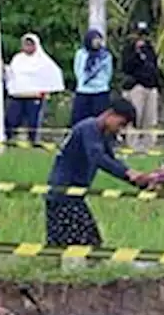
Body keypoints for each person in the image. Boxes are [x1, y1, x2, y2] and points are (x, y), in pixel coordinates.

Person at [45, 99, 149, 246]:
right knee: (89, 242)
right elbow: (98, 158)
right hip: (64, 192)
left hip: (73, 194)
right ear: (110, 114)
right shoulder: (89, 129)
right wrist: (129, 172)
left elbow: (111, 161)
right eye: (121, 124)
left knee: (66, 242)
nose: (120, 130)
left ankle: (55, 266)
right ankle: (92, 268)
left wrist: (138, 181)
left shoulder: (101, 134)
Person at [6, 33, 63, 144]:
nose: (27, 47)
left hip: (34, 96)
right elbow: (12, 75)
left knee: (33, 121)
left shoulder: (43, 61)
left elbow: (52, 74)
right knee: (11, 119)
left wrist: (46, 90)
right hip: (18, 95)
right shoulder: (17, 59)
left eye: (30, 44)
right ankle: (9, 140)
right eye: (25, 44)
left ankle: (33, 142)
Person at [121, 22, 162, 149]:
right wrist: (136, 53)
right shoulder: (128, 50)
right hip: (136, 87)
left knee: (150, 119)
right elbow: (126, 67)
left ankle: (149, 145)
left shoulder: (150, 49)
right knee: (135, 117)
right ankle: (133, 144)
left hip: (150, 87)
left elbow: (153, 67)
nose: (142, 39)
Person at [72, 29, 112, 126]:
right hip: (83, 91)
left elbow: (108, 72)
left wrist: (102, 83)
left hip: (100, 91)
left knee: (100, 119)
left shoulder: (106, 55)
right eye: (95, 39)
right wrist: (82, 82)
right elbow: (77, 69)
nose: (97, 42)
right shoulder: (80, 54)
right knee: (79, 119)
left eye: (99, 39)